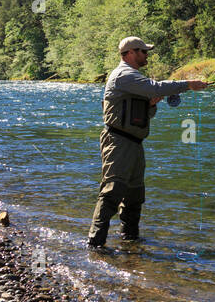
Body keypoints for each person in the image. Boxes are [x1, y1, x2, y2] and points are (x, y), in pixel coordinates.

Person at [88, 36, 207, 247]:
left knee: (134, 194)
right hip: (118, 142)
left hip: (134, 143)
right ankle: (95, 243)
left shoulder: (134, 79)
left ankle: (130, 240)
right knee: (112, 191)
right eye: (144, 52)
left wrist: (151, 105)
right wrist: (188, 84)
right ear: (130, 53)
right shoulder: (124, 75)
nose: (147, 55)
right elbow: (157, 87)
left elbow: (147, 115)